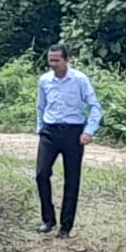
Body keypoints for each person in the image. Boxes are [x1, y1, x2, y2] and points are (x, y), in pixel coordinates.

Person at [34, 43, 102, 239]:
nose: (53, 64)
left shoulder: (80, 79)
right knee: (41, 174)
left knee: (71, 180)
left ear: (66, 60)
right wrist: (40, 128)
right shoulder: (44, 80)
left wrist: (88, 131)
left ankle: (66, 226)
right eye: (50, 60)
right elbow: (41, 106)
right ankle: (48, 219)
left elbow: (95, 107)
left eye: (57, 60)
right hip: (49, 131)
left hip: (73, 132)